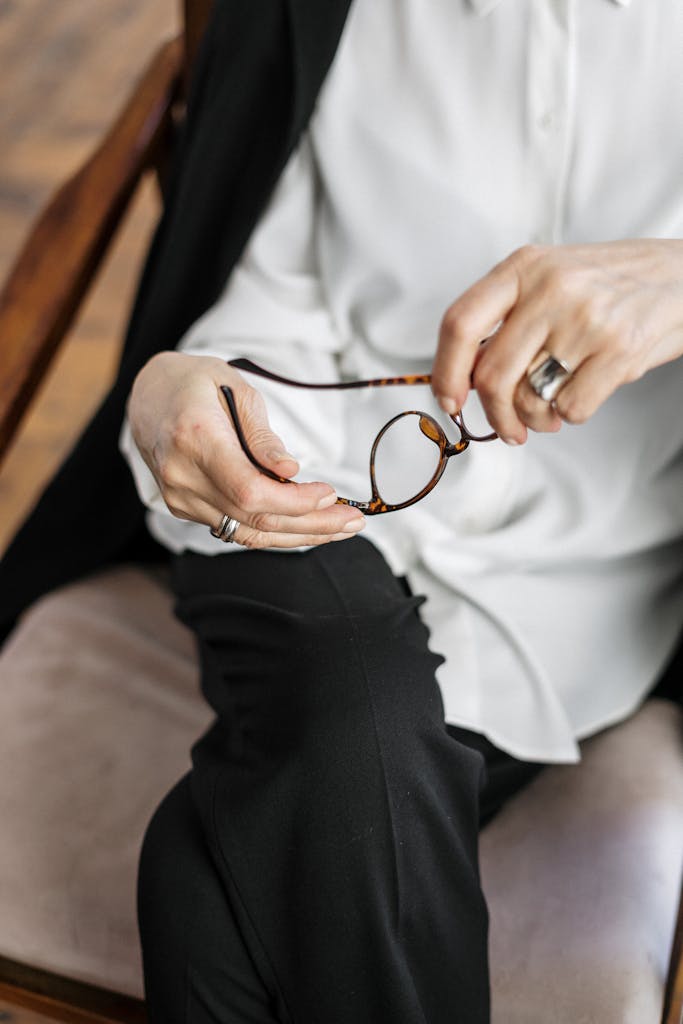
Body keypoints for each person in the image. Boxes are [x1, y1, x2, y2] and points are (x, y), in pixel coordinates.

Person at [3, 1, 683, 1021]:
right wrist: (170, 388)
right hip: (297, 505)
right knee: (351, 685)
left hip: (585, 585)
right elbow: (261, 299)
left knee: (210, 881)